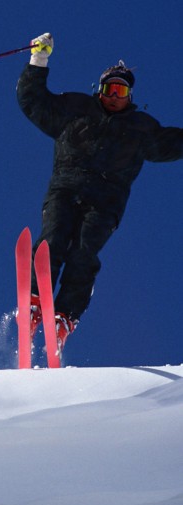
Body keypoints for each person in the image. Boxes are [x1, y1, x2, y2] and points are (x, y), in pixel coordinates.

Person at [17, 32, 183, 352]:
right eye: (109, 89)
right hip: (67, 186)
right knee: (54, 238)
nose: (114, 96)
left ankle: (64, 315)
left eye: (121, 90)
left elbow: (174, 144)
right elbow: (33, 102)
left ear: (130, 95)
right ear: (99, 90)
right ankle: (37, 298)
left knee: (84, 251)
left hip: (106, 200)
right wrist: (38, 60)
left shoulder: (141, 129)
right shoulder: (74, 109)